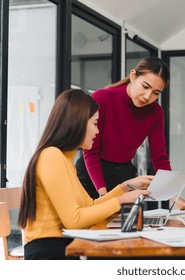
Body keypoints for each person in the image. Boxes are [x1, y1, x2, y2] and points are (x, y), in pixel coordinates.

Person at [18, 89, 152, 260]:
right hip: (49, 253)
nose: (97, 131)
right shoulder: (52, 156)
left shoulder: (64, 160)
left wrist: (124, 188)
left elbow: (88, 206)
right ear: (78, 123)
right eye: (95, 123)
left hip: (62, 246)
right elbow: (75, 220)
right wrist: (122, 200)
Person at [75, 57, 185, 209]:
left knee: (128, 227)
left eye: (156, 93)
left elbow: (159, 157)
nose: (147, 96)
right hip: (92, 174)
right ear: (133, 76)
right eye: (145, 86)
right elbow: (91, 152)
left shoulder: (156, 112)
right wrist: (104, 195)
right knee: (91, 225)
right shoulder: (101, 98)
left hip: (125, 174)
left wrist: (174, 197)